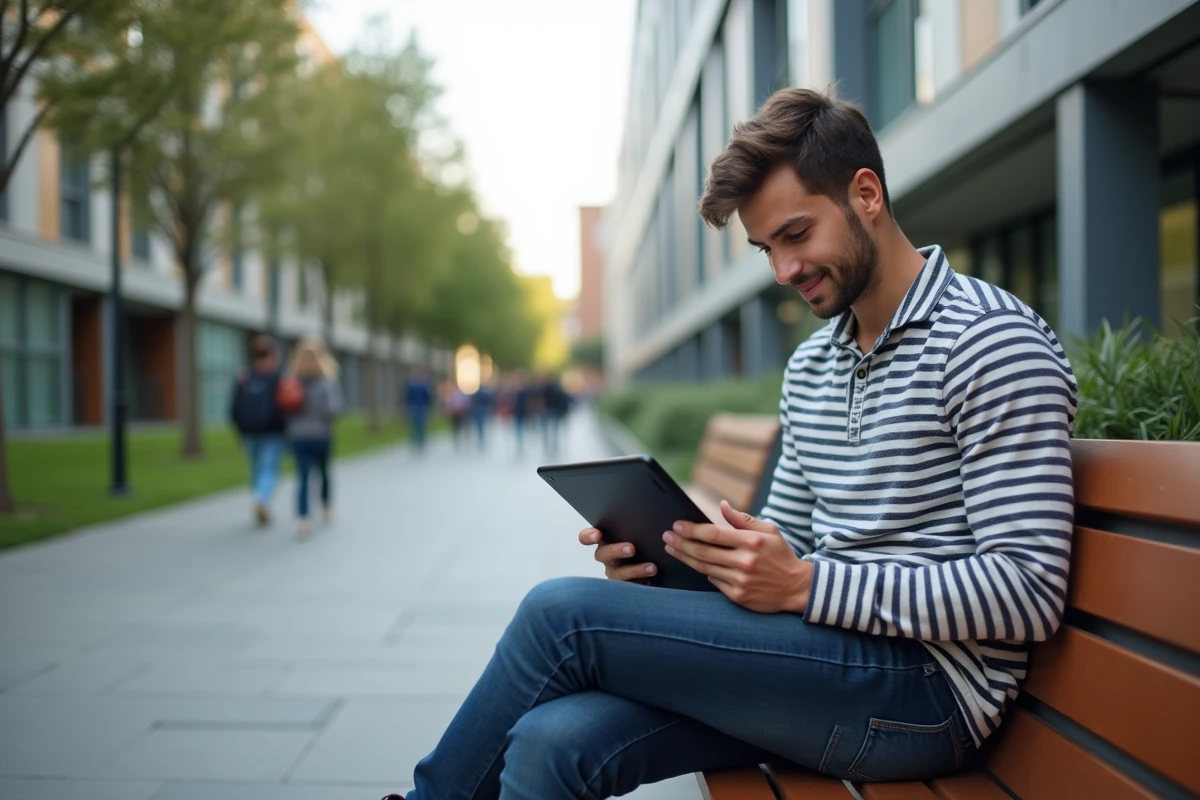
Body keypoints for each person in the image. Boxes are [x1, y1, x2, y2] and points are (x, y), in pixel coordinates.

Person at [380, 87, 1077, 800]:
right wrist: (676, 568)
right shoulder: (812, 365)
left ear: (866, 193)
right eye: (766, 247)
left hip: (928, 694)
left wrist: (807, 584)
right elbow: (791, 541)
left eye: (797, 235)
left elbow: (1027, 590)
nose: (783, 270)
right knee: (551, 742)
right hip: (819, 660)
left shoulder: (989, 342)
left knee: (561, 617)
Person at [284, 338, 343, 539]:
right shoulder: (327, 382)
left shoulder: (290, 382)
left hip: (298, 435)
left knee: (303, 476)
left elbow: (285, 410)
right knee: (324, 471)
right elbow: (334, 409)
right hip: (321, 434)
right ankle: (326, 506)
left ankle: (302, 519)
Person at [229, 335, 288, 526]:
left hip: (249, 432)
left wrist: (239, 432)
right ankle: (261, 500)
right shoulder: (277, 378)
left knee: (255, 468)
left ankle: (258, 498)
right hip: (273, 431)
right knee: (269, 467)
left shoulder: (244, 377)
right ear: (272, 354)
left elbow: (234, 409)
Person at [403, 367, 434, 453]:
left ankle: (421, 442)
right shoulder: (411, 384)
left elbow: (428, 397)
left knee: (422, 426)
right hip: (413, 407)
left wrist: (429, 407)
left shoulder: (425, 385)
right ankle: (415, 442)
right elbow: (407, 397)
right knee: (414, 426)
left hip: (422, 407)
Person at [539, 373, 571, 456]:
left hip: (552, 411)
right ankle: (550, 447)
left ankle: (553, 447)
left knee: (553, 430)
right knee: (549, 430)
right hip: (547, 411)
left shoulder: (553, 388)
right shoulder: (544, 388)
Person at [470, 381, 496, 450]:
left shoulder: (476, 394)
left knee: (479, 426)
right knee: (482, 425)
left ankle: (481, 439)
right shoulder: (485, 393)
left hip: (478, 410)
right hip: (484, 410)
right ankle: (482, 439)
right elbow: (490, 401)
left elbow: (472, 402)